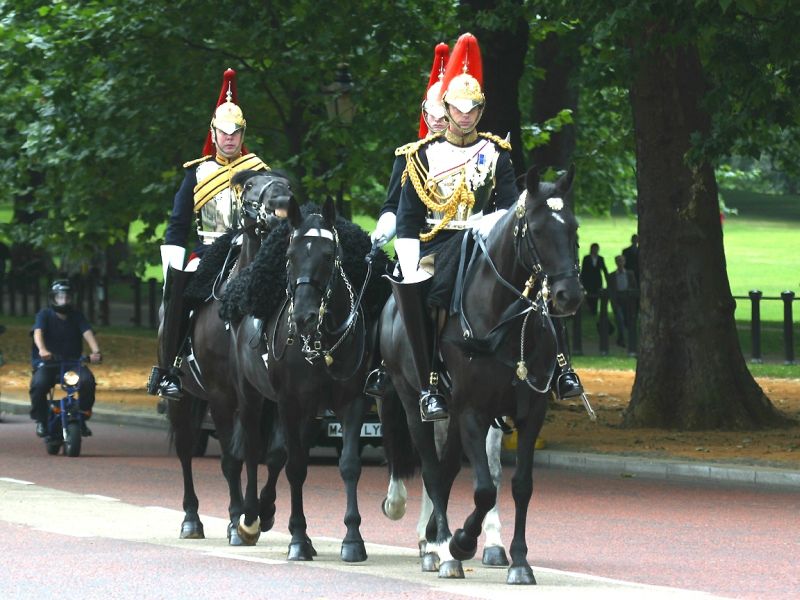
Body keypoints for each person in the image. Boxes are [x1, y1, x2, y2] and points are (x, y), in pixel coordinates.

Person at [391, 33, 523, 421]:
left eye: (472, 109)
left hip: (485, 239)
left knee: (538, 284)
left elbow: (510, 206)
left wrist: (488, 225)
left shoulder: (496, 153)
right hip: (438, 245)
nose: (464, 116)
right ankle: (430, 381)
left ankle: (552, 371)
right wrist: (411, 261)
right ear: (445, 109)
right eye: (458, 109)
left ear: (480, 111)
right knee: (426, 296)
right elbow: (409, 217)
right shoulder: (421, 156)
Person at [147, 68, 269, 400]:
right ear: (213, 134)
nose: (229, 139)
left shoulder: (260, 172)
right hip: (209, 251)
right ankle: (169, 367)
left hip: (251, 249)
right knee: (181, 299)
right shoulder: (197, 173)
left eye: (235, 133)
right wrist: (172, 270)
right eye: (223, 133)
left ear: (243, 135)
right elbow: (178, 224)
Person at [364, 42, 450, 401]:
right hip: (422, 243)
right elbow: (392, 204)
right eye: (435, 113)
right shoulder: (410, 157)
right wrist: (384, 230)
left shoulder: (480, 153)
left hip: (469, 241)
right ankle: (382, 367)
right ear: (426, 115)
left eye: (447, 113)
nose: (441, 120)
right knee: (386, 292)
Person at [29, 280, 102, 438]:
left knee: (87, 381)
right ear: (53, 298)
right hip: (48, 363)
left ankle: (81, 416)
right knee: (39, 384)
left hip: (72, 363)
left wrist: (96, 351)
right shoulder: (44, 315)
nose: (64, 300)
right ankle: (41, 420)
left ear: (71, 299)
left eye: (67, 297)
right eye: (60, 297)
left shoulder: (77, 316)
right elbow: (38, 332)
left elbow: (88, 332)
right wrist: (42, 350)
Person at [608, 254, 638, 348]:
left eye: (622, 261)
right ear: (616, 263)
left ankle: (630, 340)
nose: (620, 263)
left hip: (628, 300)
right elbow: (610, 290)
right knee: (620, 320)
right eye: (618, 261)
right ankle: (621, 340)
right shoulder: (612, 276)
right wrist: (613, 302)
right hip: (617, 301)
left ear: (624, 262)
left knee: (628, 321)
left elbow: (634, 287)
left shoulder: (630, 274)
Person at [580, 242, 609, 315]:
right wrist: (582, 281)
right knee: (589, 296)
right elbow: (583, 271)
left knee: (596, 296)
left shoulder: (600, 258)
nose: (595, 250)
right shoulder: (586, 258)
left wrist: (608, 280)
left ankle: (594, 312)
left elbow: (604, 270)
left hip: (597, 281)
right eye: (594, 249)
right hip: (588, 281)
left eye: (596, 249)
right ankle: (590, 311)